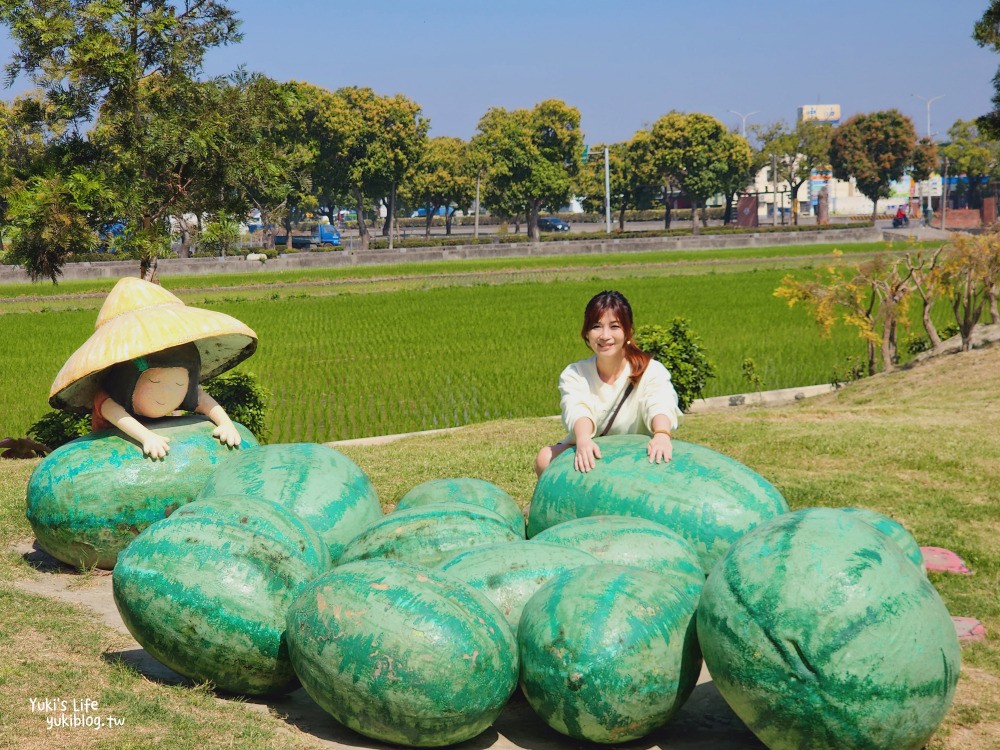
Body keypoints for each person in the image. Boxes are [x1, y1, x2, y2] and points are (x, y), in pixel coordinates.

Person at [49, 277, 258, 458]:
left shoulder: (189, 393)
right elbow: (115, 413)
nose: (166, 393)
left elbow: (203, 400)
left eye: (178, 383)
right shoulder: (109, 399)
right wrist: (146, 438)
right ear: (126, 381)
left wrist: (226, 423)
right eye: (155, 381)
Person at [534, 290, 683, 476]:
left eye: (614, 326)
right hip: (591, 451)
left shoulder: (651, 370)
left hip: (637, 453)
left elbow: (659, 403)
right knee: (545, 458)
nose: (605, 335)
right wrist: (583, 440)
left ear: (628, 331)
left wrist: (661, 434)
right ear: (586, 333)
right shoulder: (575, 374)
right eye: (596, 326)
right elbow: (577, 408)